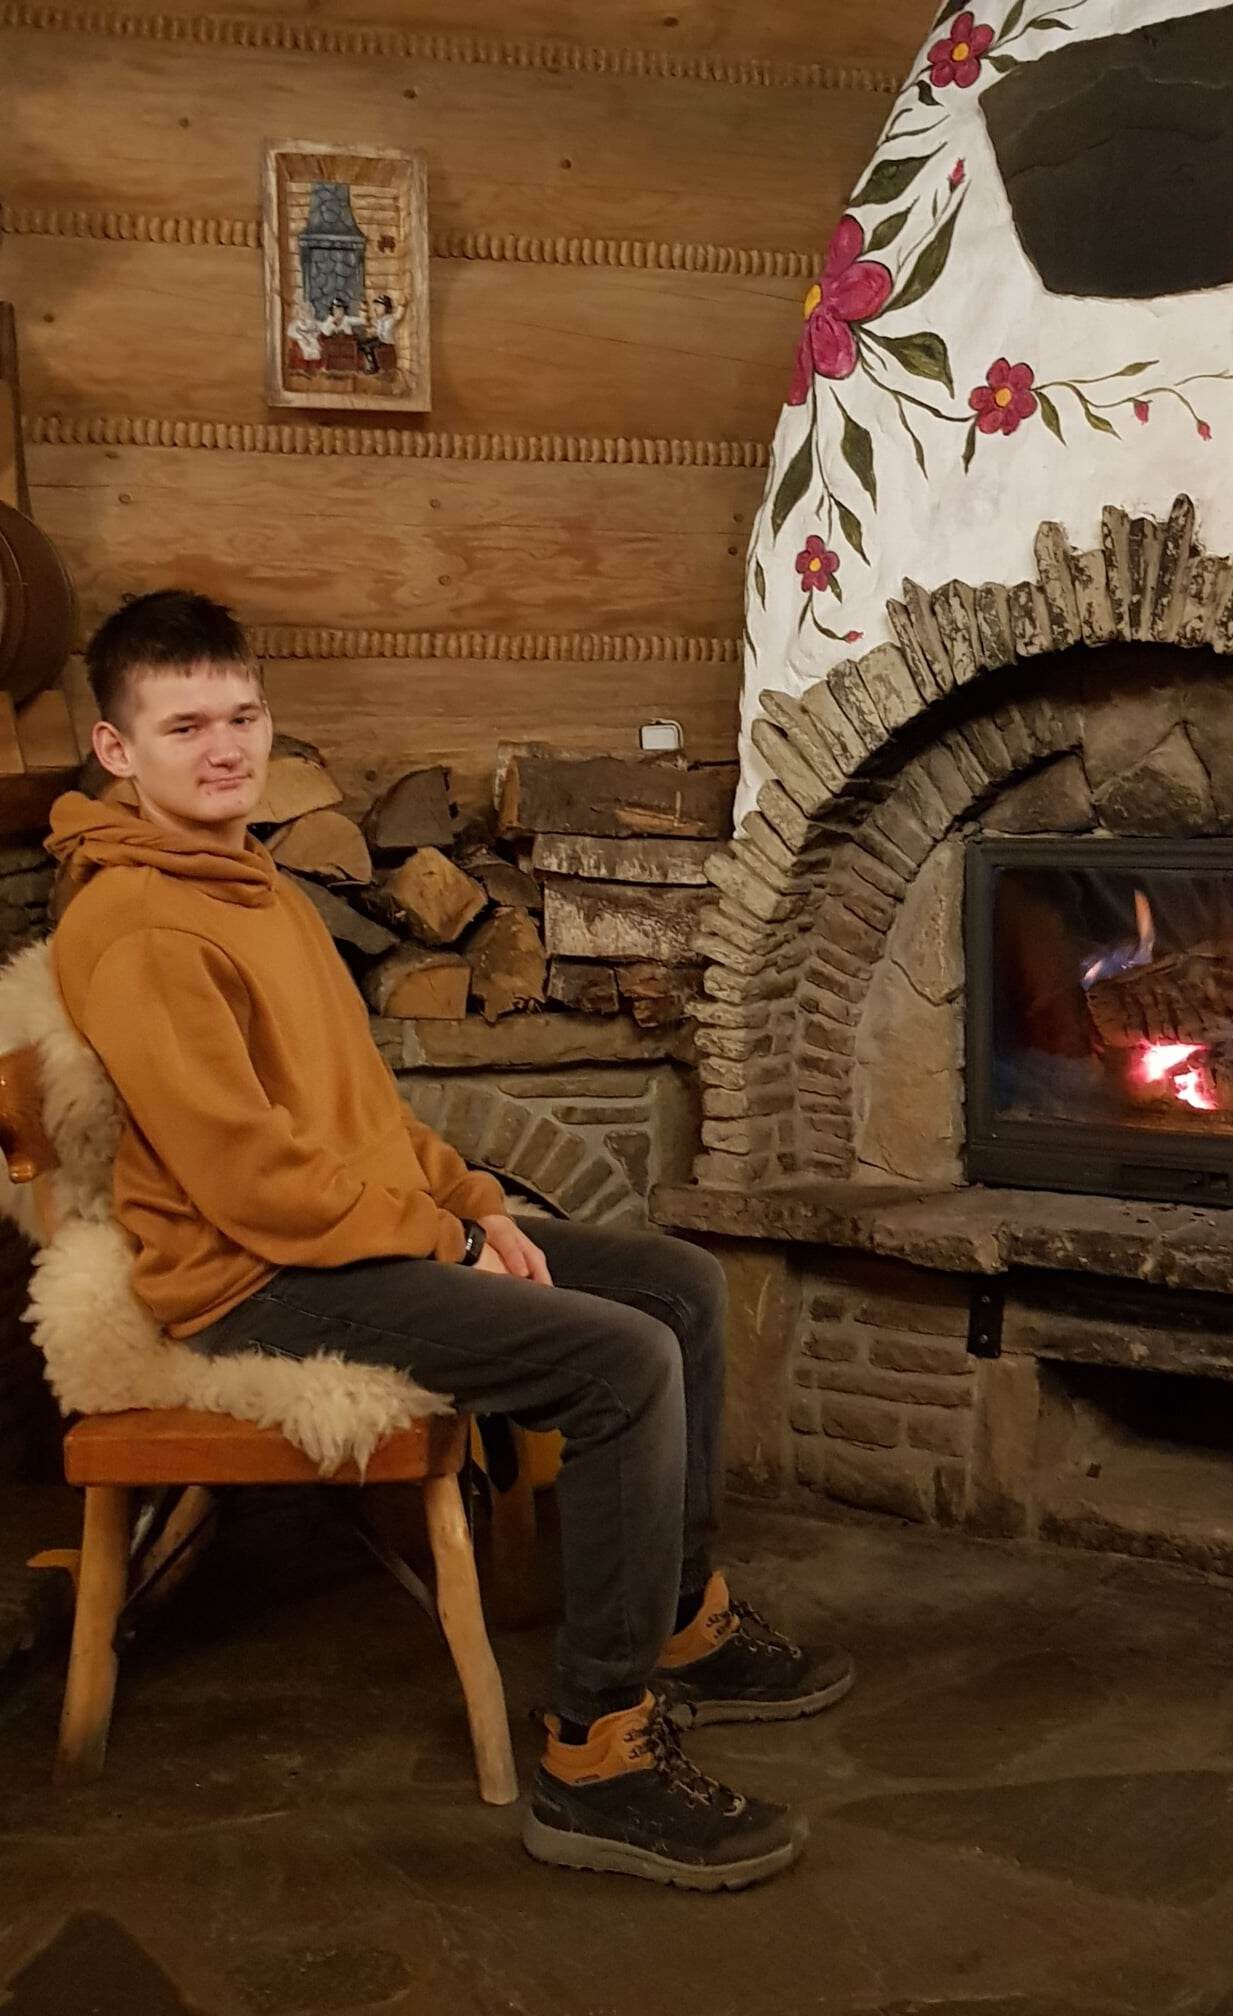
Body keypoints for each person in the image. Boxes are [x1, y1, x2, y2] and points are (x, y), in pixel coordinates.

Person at [46, 589, 853, 1892]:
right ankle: (597, 1756)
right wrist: (446, 1242)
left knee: (678, 1285)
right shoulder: (139, 926)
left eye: (241, 716)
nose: (225, 748)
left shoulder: (257, 883)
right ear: (115, 748)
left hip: (339, 1237)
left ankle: (676, 1619)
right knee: (620, 1362)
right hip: (256, 1281)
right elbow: (253, 1186)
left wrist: (471, 1199)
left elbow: (358, 1112)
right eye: (183, 726)